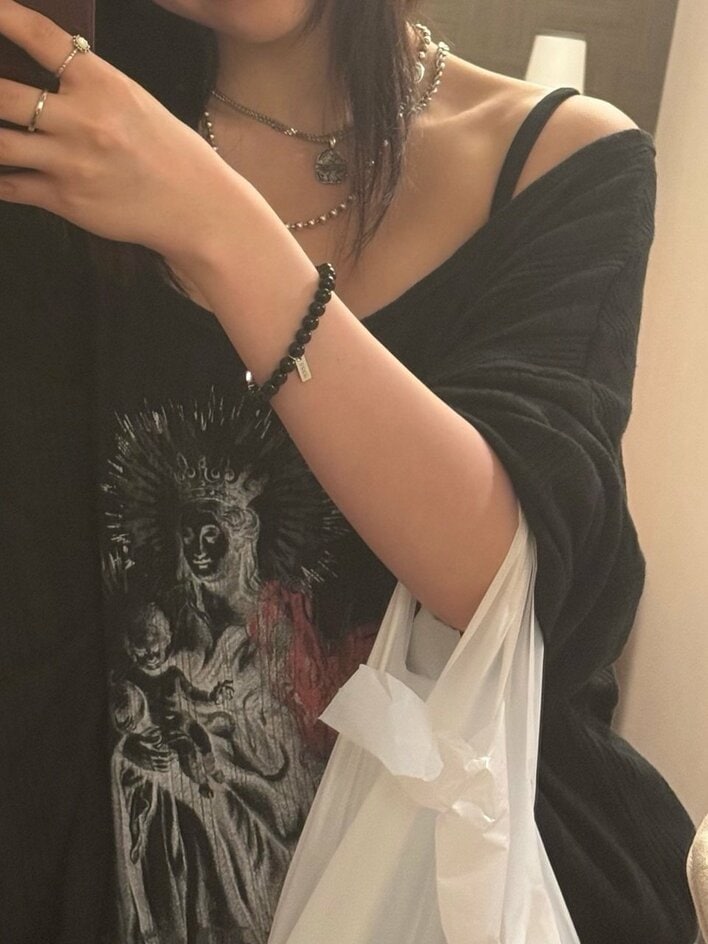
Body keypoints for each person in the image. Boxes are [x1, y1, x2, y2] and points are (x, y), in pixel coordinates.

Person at [0, 0, 698, 942]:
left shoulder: (562, 158)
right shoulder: (66, 142)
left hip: (467, 893)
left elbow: (503, 584)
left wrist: (219, 226)